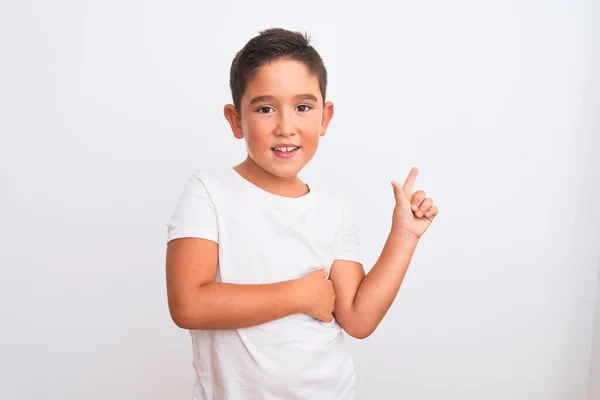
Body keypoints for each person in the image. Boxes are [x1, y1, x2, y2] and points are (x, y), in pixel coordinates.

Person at [165, 27, 438, 400]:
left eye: (303, 107)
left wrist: (404, 236)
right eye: (265, 108)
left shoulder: (333, 213)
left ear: (324, 118)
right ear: (236, 120)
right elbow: (189, 305)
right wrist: (298, 295)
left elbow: (357, 318)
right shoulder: (209, 193)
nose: (286, 127)